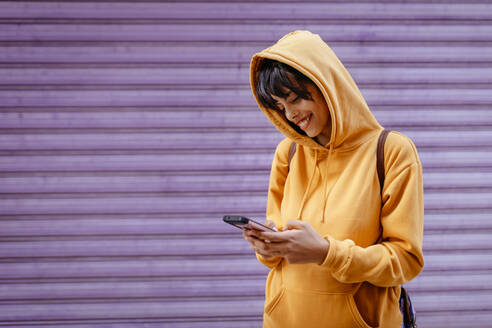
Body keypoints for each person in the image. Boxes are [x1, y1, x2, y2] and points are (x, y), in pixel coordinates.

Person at [243, 30, 424, 328]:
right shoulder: (288, 154)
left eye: (293, 98)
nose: (290, 115)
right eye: (279, 105)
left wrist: (327, 253)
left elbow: (405, 261)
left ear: (326, 84)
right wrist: (267, 247)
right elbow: (276, 254)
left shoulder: (392, 151)